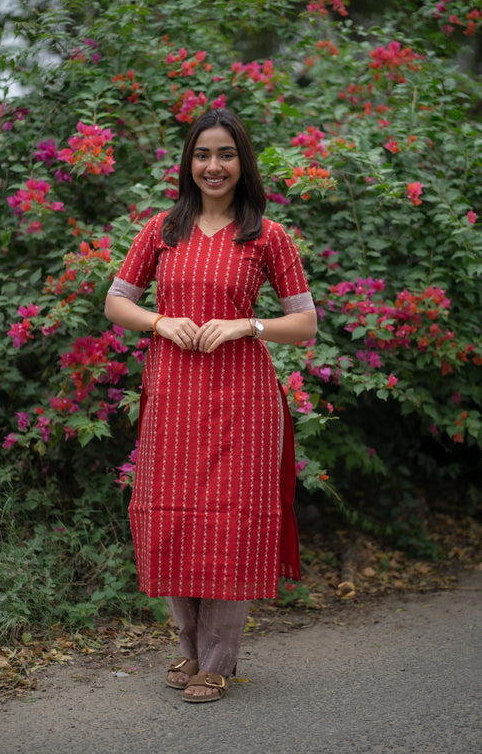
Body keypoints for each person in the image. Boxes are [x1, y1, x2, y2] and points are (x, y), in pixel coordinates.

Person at [104, 108, 317, 703]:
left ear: (241, 163)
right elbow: (116, 302)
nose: (213, 166)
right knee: (172, 515)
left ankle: (219, 661)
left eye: (225, 155)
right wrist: (161, 321)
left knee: (231, 520)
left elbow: (305, 323)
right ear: (188, 163)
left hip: (243, 400)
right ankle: (190, 649)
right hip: (173, 395)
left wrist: (247, 325)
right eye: (203, 155)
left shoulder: (266, 235)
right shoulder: (161, 230)